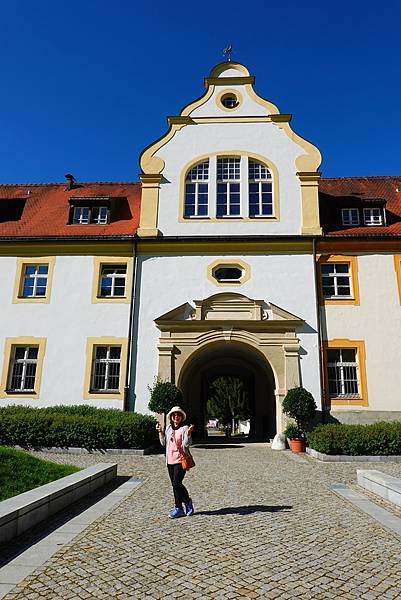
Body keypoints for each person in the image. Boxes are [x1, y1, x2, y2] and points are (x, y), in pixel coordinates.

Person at [156, 406, 195, 518]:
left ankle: (188, 502)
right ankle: (178, 508)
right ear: (171, 417)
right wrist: (160, 432)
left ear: (181, 417)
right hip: (170, 460)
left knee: (177, 483)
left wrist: (188, 434)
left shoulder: (184, 428)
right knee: (174, 485)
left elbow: (187, 444)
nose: (176, 417)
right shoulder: (168, 428)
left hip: (180, 459)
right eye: (174, 415)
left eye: (178, 415)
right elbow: (163, 443)